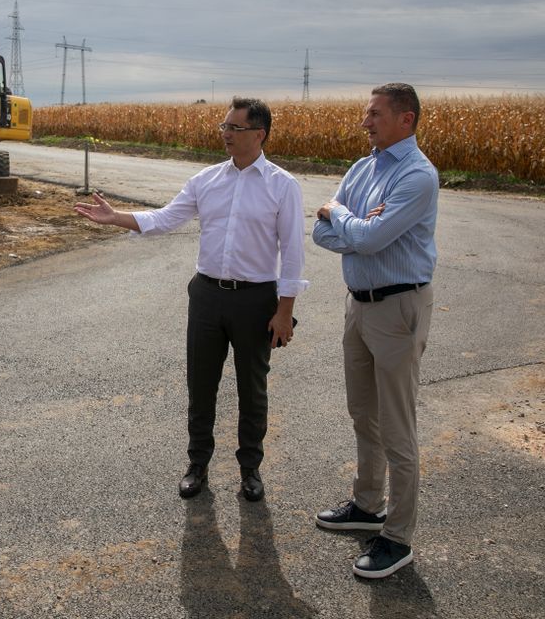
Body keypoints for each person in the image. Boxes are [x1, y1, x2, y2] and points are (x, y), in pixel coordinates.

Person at [75, 97, 307, 502]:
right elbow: (164, 218)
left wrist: (285, 311)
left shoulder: (282, 186)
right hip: (207, 295)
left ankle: (250, 469)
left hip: (255, 300)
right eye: (224, 127)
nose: (226, 134)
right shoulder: (206, 181)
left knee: (253, 389)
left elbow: (293, 253)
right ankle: (197, 464)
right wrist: (117, 218)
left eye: (234, 128)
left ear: (259, 134)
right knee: (201, 384)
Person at [311, 82, 439, 580]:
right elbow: (324, 234)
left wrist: (338, 214)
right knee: (363, 411)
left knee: (397, 426)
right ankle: (368, 504)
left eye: (376, 115)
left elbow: (364, 236)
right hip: (358, 306)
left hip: (398, 308)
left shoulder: (418, 176)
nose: (366, 122)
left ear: (406, 119)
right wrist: (352, 227)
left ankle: (398, 538)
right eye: (367, 114)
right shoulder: (363, 168)